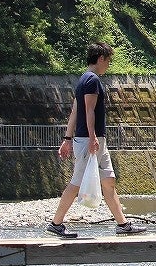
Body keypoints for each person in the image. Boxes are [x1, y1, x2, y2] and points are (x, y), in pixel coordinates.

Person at [45, 42, 146, 238]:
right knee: (76, 183)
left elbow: (75, 111)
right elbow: (88, 110)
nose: (108, 65)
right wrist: (92, 138)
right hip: (90, 140)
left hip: (95, 140)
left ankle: (123, 224)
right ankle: (56, 224)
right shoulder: (92, 81)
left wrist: (67, 138)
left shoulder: (83, 79)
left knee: (108, 180)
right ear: (101, 59)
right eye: (108, 61)